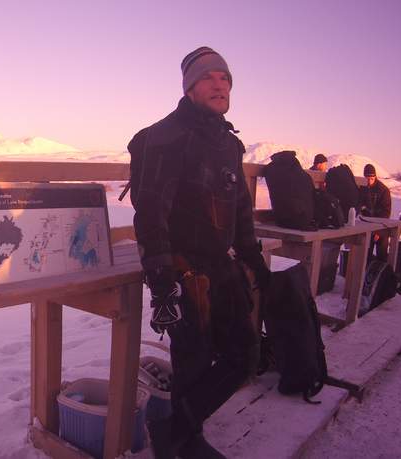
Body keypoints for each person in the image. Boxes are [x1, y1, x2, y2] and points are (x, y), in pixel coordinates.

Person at [128, 47, 270, 459]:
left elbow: (240, 206)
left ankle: (173, 429)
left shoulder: (228, 143)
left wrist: (252, 255)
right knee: (191, 361)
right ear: (189, 87)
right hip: (181, 269)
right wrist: (162, 281)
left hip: (220, 265)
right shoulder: (166, 136)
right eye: (209, 77)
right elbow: (151, 212)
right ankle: (185, 442)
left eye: (225, 79)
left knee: (244, 356)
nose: (219, 84)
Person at [359, 164, 392, 260]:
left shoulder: (383, 190)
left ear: (375, 177)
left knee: (381, 255)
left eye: (371, 179)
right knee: (365, 254)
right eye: (367, 179)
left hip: (381, 226)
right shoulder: (362, 187)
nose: (369, 182)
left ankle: (380, 273)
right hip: (366, 225)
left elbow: (386, 213)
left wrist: (379, 231)